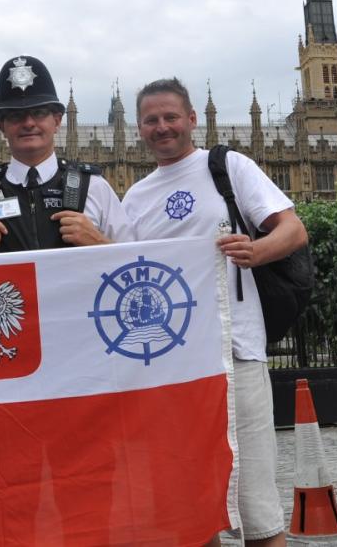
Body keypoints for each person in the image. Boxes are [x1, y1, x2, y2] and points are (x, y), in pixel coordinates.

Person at [121, 78, 308, 547]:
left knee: (257, 508)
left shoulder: (228, 166)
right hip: (171, 365)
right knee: (189, 507)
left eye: (170, 117)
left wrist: (257, 251)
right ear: (138, 128)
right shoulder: (135, 198)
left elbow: (294, 230)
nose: (162, 127)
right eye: (151, 120)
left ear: (192, 119)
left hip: (236, 352)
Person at [0, 54, 129, 256]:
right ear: (1, 126)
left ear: (58, 120)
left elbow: (136, 263)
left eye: (39, 113)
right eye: (16, 115)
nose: (28, 123)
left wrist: (99, 242)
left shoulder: (94, 188)